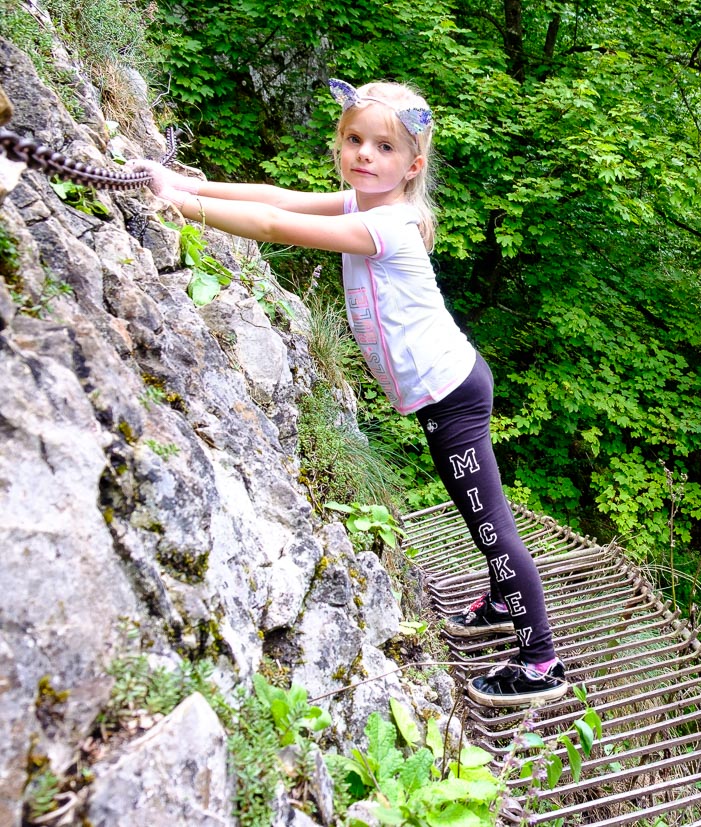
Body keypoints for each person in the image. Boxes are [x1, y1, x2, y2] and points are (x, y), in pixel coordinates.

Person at [130, 79, 565, 708]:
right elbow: (277, 197)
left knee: (491, 525)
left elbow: (275, 225)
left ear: (412, 165)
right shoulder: (365, 205)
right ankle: (504, 601)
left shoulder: (388, 223)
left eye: (383, 147)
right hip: (445, 390)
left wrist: (180, 205)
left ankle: (540, 662)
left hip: (452, 395)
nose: (365, 154)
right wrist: (184, 185)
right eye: (354, 140)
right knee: (482, 517)